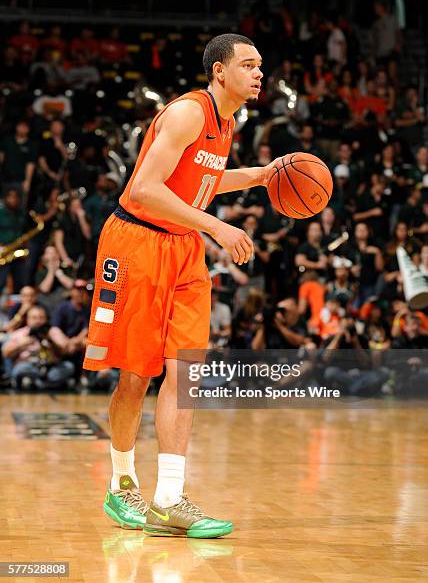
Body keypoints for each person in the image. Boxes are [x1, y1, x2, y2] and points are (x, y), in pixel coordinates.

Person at [83, 33, 286, 537]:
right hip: (136, 242)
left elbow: (199, 180)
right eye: (248, 64)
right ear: (220, 71)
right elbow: (146, 190)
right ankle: (120, 484)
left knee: (186, 370)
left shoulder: (227, 123)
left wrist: (260, 176)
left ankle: (170, 498)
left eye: (261, 65)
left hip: (183, 249)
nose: (259, 72)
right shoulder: (187, 113)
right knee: (136, 373)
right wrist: (216, 226)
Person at [2, 304, 74, 390]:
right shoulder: (20, 333)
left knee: (69, 367)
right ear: (27, 319)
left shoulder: (53, 331)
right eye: (34, 318)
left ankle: (39, 383)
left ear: (46, 319)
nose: (38, 321)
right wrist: (22, 344)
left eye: (41, 317)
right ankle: (47, 383)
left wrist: (51, 341)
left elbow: (66, 351)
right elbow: (5, 354)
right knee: (20, 369)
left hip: (51, 367)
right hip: (30, 366)